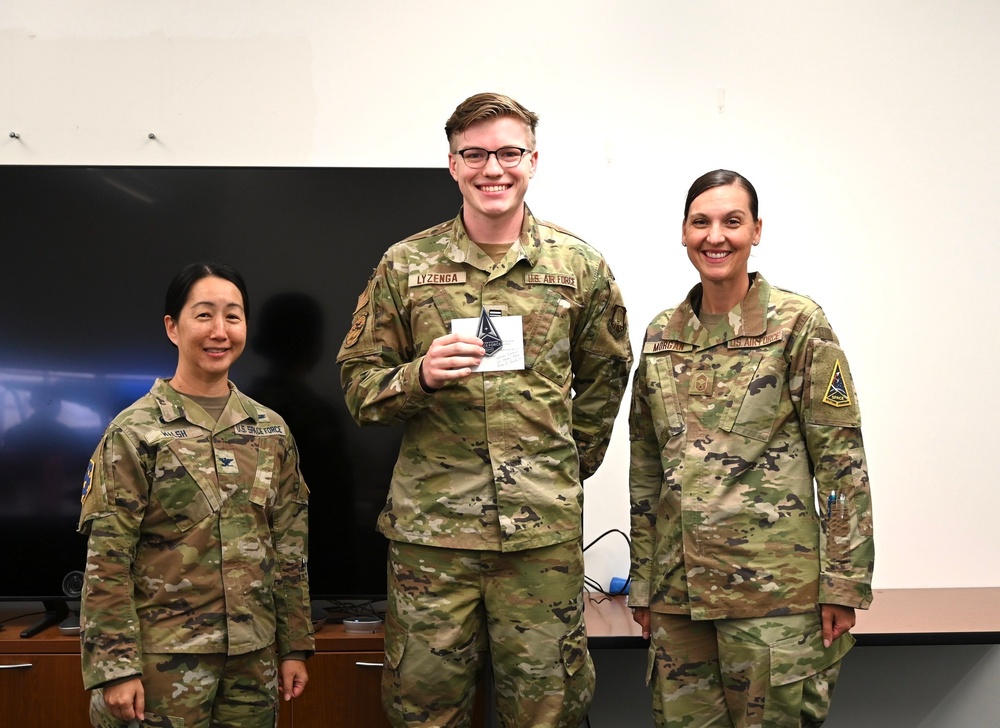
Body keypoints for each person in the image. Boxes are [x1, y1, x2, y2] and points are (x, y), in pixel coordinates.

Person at [337, 92, 633, 727]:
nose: (492, 169)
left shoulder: (578, 267)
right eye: (474, 154)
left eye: (508, 153)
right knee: (424, 713)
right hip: (432, 541)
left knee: (546, 713)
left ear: (532, 160)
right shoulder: (405, 266)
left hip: (540, 543)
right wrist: (418, 376)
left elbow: (607, 376)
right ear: (452, 164)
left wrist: (561, 468)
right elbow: (360, 386)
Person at [627, 170, 875, 727]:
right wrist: (643, 582)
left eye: (732, 222)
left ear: (756, 231)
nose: (716, 236)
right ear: (684, 233)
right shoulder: (660, 335)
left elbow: (841, 462)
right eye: (702, 222)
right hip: (678, 595)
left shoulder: (797, 325)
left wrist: (843, 582)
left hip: (774, 597)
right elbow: (646, 467)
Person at [78, 262, 314, 728]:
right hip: (162, 662)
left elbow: (289, 548)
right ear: (173, 326)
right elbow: (107, 558)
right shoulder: (135, 430)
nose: (220, 331)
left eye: (233, 316)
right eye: (203, 315)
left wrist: (295, 647)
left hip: (254, 659)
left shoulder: (270, 429)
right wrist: (116, 667)